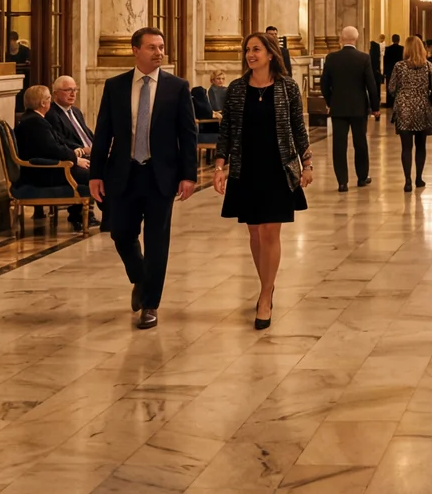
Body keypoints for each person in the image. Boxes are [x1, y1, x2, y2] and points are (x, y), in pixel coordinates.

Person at [88, 26, 198, 330]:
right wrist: (96, 173)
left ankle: (150, 305)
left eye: (161, 47)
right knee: (120, 233)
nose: (159, 52)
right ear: (136, 50)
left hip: (160, 175)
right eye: (152, 47)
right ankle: (140, 277)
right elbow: (103, 133)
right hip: (123, 173)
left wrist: (189, 175)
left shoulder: (177, 87)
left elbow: (188, 134)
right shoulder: (116, 86)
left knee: (157, 240)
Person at [213, 31, 312, 328]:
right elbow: (227, 130)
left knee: (271, 231)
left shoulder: (287, 88)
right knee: (255, 233)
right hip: (247, 169)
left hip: (277, 167)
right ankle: (266, 284)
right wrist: (219, 166)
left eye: (256, 49)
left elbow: (298, 128)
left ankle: (265, 295)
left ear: (270, 54)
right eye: (247, 50)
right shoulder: (237, 89)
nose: (250, 54)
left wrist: (307, 165)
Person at [320, 25, 379, 190]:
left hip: (338, 107)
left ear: (341, 39)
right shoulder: (363, 58)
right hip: (359, 107)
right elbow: (371, 85)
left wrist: (330, 101)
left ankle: (342, 181)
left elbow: (324, 84)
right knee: (360, 142)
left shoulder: (331, 58)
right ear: (356, 38)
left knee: (339, 145)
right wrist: (375, 107)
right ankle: (361, 177)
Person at [388, 35, 432, 190]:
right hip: (422, 107)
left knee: (406, 147)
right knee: (421, 146)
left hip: (404, 108)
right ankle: (419, 178)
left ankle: (407, 181)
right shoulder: (427, 66)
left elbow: (391, 88)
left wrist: (403, 93)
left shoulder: (399, 66)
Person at [47, 75, 96, 222]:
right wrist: (84, 150)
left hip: (90, 153)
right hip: (74, 158)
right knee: (102, 171)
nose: (73, 94)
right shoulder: (52, 114)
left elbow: (87, 134)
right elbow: (62, 142)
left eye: (75, 90)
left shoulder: (75, 111)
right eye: (68, 90)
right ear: (55, 93)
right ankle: (95, 215)